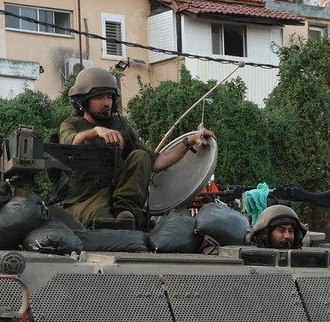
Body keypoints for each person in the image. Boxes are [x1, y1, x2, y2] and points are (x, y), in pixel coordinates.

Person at [57, 67, 213, 227]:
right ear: (83, 100)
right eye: (98, 97)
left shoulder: (121, 126)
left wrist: (190, 141)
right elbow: (70, 143)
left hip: (117, 199)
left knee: (140, 155)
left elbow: (156, 162)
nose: (106, 103)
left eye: (109, 97)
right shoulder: (71, 124)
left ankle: (124, 213)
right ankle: (117, 220)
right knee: (102, 221)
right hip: (82, 200)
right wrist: (95, 132)